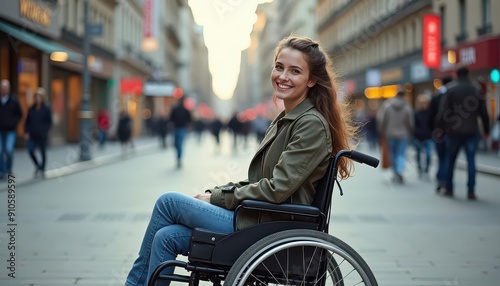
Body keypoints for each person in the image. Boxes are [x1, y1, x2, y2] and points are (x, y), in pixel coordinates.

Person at [123, 36, 357, 286]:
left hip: (270, 223)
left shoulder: (309, 124)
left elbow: (277, 188)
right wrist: (218, 191)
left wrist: (218, 199)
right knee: (165, 236)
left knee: (167, 202)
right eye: (279, 67)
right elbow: (262, 181)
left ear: (311, 80)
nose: (283, 76)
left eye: (295, 71)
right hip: (261, 217)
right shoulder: (287, 119)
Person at [437, 66, 490, 200]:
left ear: (456, 74)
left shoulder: (450, 90)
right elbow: (484, 113)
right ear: (467, 74)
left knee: (451, 161)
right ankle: (471, 191)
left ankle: (449, 188)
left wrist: (440, 128)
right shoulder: (476, 90)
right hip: (472, 131)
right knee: (471, 161)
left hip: (453, 132)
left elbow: (443, 112)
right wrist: (487, 130)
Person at [376, 90, 414, 184]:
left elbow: (381, 119)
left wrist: (382, 131)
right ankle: (399, 171)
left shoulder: (387, 105)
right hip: (403, 134)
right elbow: (410, 122)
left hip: (389, 134)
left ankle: (395, 172)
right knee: (401, 154)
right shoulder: (407, 107)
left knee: (392, 154)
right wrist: (410, 131)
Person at [428, 76, 452, 192]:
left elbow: (430, 115)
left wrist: (432, 130)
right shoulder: (453, 96)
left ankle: (440, 179)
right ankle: (444, 180)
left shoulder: (436, 97)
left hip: (437, 132)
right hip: (450, 132)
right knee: (447, 157)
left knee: (441, 156)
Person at [24, 87, 52, 177]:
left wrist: (45, 130)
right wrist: (26, 132)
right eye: (36, 96)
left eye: (40, 96)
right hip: (32, 134)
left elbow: (49, 122)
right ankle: (38, 166)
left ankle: (42, 169)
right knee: (30, 150)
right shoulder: (31, 109)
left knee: (42, 151)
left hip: (42, 134)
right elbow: (27, 121)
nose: (38, 98)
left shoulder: (46, 109)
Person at [0, 79, 23, 180]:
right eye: (2, 87)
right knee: (0, 151)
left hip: (10, 130)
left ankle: (8, 169)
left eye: (6, 87)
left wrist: (13, 123)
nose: (4, 89)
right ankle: (2, 171)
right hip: (0, 130)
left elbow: (20, 114)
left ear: (8, 89)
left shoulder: (13, 101)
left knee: (9, 150)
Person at [413, 94, 433, 179]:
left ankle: (427, 170)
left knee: (428, 155)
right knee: (418, 155)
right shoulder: (416, 113)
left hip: (428, 137)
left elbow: (433, 125)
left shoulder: (430, 113)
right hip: (418, 137)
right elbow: (413, 125)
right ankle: (420, 169)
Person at [169, 96, 192, 168]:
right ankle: (179, 156)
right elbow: (170, 119)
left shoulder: (185, 110)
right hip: (177, 129)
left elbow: (190, 119)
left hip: (181, 129)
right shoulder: (176, 110)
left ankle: (179, 158)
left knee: (178, 144)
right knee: (177, 144)